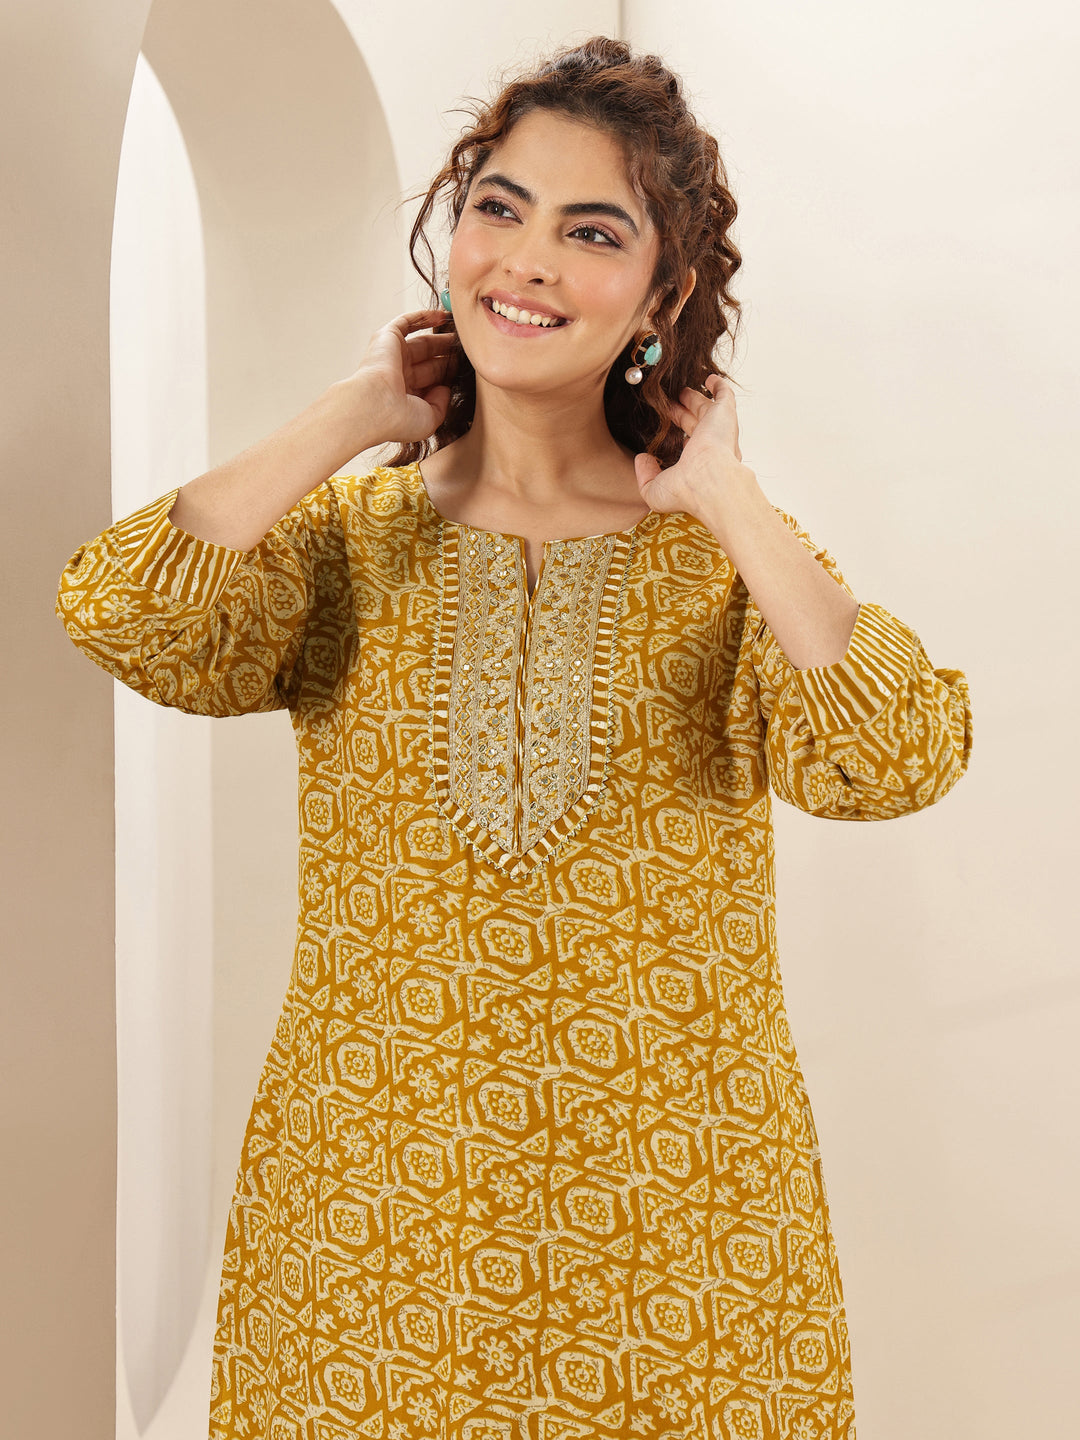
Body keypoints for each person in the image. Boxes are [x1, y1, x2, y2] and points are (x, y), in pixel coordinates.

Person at [56, 35, 973, 1440]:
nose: (529, 260)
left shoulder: (724, 567)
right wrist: (360, 412)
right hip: (372, 1237)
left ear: (663, 295)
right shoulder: (349, 544)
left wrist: (731, 498)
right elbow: (123, 610)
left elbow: (896, 757)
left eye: (591, 231)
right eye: (500, 207)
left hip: (683, 1247)